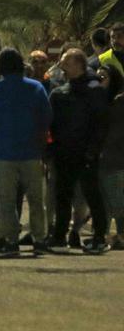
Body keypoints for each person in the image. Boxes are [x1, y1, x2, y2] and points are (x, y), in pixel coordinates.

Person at [0, 48, 53, 255]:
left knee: (7, 200)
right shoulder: (36, 87)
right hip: (32, 151)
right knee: (36, 199)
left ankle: (11, 240)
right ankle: (39, 238)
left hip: (3, 152)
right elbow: (47, 117)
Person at [49, 48, 110, 253]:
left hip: (86, 154)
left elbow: (101, 124)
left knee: (92, 195)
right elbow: (51, 125)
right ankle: (59, 237)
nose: (62, 66)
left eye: (66, 62)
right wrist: (51, 150)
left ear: (79, 65)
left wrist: (93, 150)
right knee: (62, 196)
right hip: (63, 153)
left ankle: (99, 237)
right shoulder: (59, 94)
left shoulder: (94, 91)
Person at [98, 66, 124, 249]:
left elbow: (115, 132)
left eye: (103, 77)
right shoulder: (101, 99)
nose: (99, 80)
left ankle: (121, 235)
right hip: (103, 158)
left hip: (115, 158)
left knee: (116, 200)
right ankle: (103, 235)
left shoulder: (119, 102)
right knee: (104, 200)